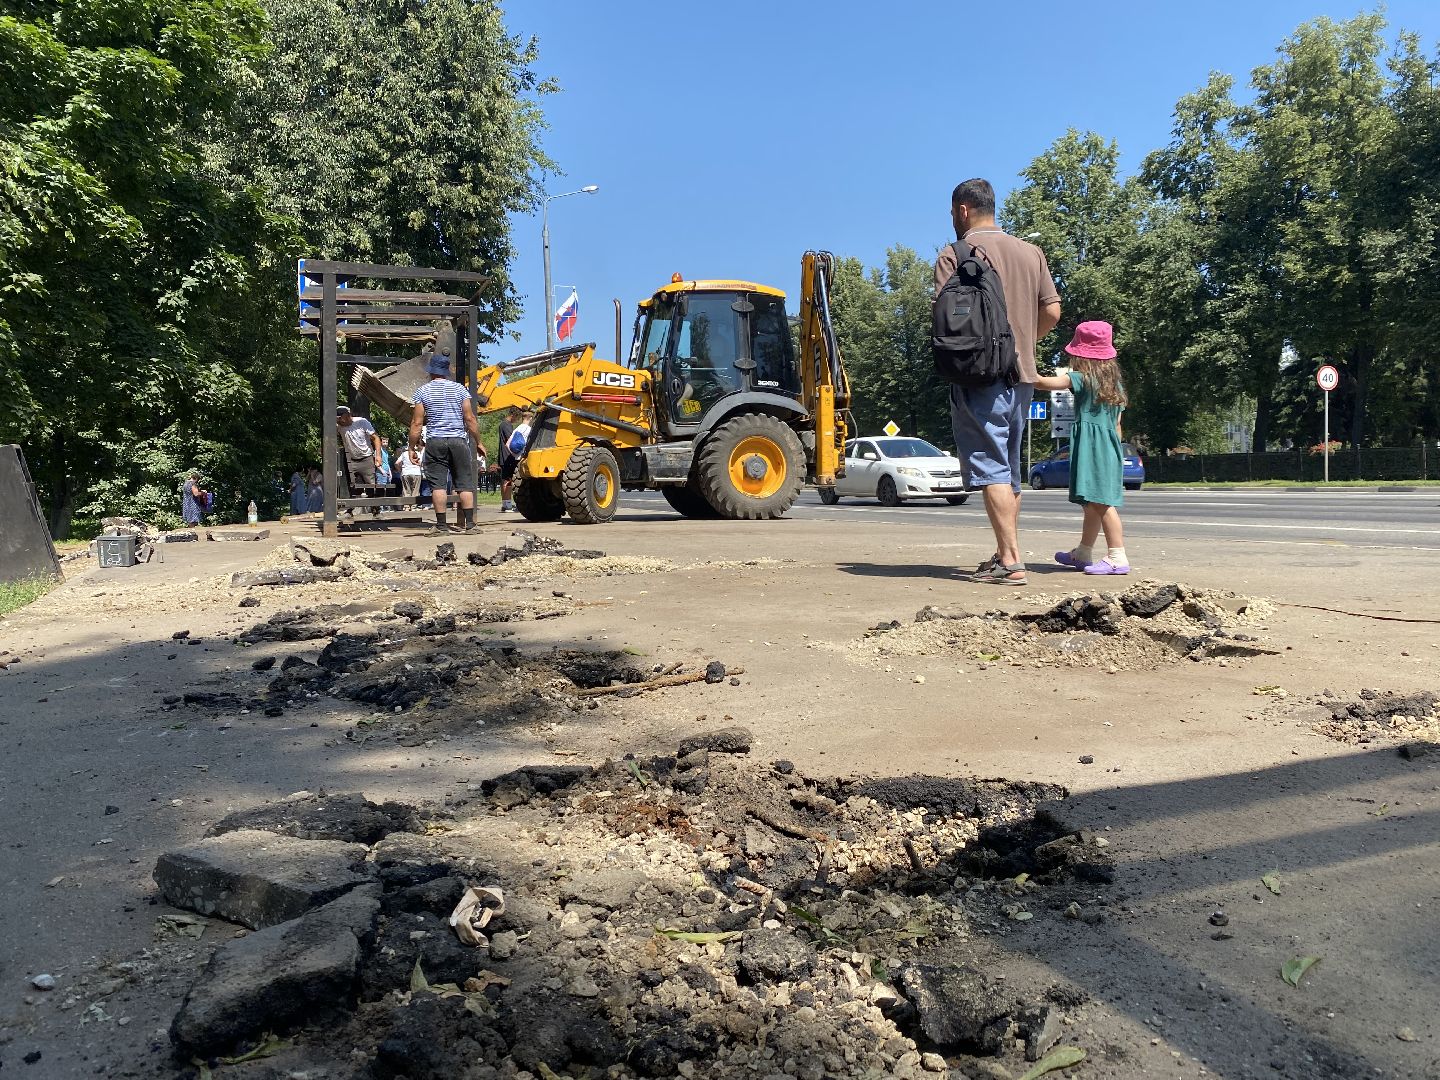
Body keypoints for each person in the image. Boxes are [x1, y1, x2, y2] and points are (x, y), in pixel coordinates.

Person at [935, 178, 1061, 586]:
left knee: (990, 469)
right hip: (1022, 376)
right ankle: (1004, 551)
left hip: (979, 377)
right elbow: (1053, 312)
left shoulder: (956, 254)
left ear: (963, 210)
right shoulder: (1031, 252)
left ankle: (1011, 561)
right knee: (1008, 471)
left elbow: (948, 321)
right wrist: (1024, 342)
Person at [1033, 321, 1130, 575]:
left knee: (1102, 503)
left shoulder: (1082, 378)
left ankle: (1117, 556)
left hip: (1092, 447)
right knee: (1092, 504)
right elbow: (1118, 424)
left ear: (1081, 356)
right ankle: (1084, 552)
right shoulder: (1115, 387)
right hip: (1109, 447)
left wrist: (1023, 368)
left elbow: (1044, 383)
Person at [410, 352, 480, 534]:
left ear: (431, 372)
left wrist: (411, 447)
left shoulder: (422, 391)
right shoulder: (460, 389)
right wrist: (478, 441)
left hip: (436, 441)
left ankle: (441, 526)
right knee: (464, 484)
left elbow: (417, 423)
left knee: (438, 485)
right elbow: (470, 418)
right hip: (458, 441)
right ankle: (470, 525)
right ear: (446, 371)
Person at [337, 406, 381, 493]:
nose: (339, 422)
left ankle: (373, 505)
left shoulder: (361, 422)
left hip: (366, 458)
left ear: (346, 416)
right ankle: (355, 505)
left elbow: (375, 438)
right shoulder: (338, 426)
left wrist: (378, 456)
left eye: (339, 419)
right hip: (351, 460)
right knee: (351, 485)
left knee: (371, 486)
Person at [497, 407, 519, 512]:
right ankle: (508, 504)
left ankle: (505, 503)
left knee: (505, 480)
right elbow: (511, 440)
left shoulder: (503, 424)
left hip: (504, 456)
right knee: (508, 481)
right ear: (513, 415)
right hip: (507, 456)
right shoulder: (506, 425)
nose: (516, 420)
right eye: (516, 417)